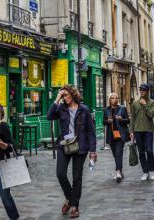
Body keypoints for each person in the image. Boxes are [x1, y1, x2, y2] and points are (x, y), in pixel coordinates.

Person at [47, 85, 97, 218]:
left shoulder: (84, 110)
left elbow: (91, 132)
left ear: (73, 95)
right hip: (64, 144)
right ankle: (70, 198)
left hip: (80, 146)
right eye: (63, 96)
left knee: (77, 176)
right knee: (60, 173)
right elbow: (49, 116)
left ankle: (75, 206)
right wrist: (57, 99)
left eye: (66, 95)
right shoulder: (61, 108)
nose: (65, 98)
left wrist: (93, 151)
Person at [130, 83, 154, 181]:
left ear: (147, 91)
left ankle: (151, 171)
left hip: (149, 130)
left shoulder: (152, 102)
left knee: (149, 151)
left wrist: (145, 105)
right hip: (137, 130)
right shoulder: (134, 103)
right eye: (140, 90)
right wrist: (131, 131)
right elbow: (133, 117)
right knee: (141, 152)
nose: (141, 91)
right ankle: (145, 172)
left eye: (143, 90)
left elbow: (151, 115)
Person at [103, 93, 129, 183]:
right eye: (112, 98)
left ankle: (118, 172)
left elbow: (128, 121)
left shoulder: (122, 108)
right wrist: (108, 121)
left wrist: (122, 120)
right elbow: (104, 122)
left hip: (120, 135)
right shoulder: (106, 110)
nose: (115, 99)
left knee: (119, 153)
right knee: (115, 154)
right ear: (109, 100)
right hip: (111, 135)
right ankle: (120, 170)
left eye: (116, 98)